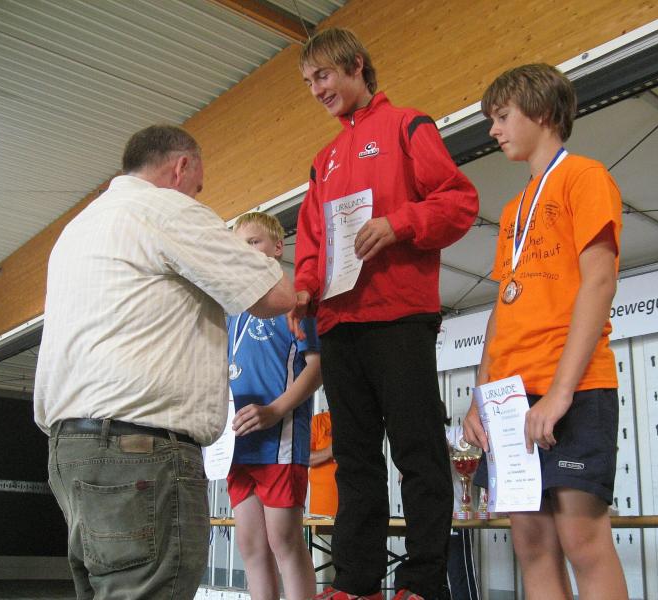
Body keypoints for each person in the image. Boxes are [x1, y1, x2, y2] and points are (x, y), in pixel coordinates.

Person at [34, 125, 295, 600]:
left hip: (69, 450)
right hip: (140, 453)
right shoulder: (167, 209)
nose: (197, 196)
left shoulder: (78, 229)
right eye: (198, 186)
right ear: (181, 167)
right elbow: (275, 295)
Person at [290, 28, 479, 600]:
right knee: (354, 458)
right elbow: (311, 240)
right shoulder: (323, 160)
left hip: (399, 316)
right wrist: (304, 288)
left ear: (356, 65)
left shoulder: (407, 125)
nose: (316, 89)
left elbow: (458, 201)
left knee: (418, 451)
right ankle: (355, 581)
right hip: (339, 324)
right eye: (308, 82)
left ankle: (422, 581)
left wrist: (400, 224)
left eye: (323, 75)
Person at [462, 63, 627, 600]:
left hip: (573, 385)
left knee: (583, 541)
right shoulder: (513, 209)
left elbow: (599, 281)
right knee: (531, 545)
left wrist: (560, 392)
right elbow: (502, 304)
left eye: (502, 116)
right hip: (511, 396)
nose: (494, 130)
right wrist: (481, 395)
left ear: (541, 113)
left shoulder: (585, 176)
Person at [227, 212, 322, 600]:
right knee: (250, 546)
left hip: (280, 442)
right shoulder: (232, 311)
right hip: (239, 445)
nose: (246, 252)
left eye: (254, 243)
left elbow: (317, 367)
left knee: (284, 540)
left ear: (278, 247)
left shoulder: (294, 301)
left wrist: (276, 410)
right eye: (239, 247)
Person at [445, 424, 480, 600]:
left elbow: (474, 456)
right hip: (429, 519)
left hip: (457, 516)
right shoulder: (417, 439)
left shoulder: (457, 433)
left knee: (460, 575)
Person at [309, 410, 338, 518]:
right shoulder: (317, 421)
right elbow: (304, 458)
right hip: (322, 509)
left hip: (355, 505)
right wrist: (330, 451)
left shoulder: (357, 422)